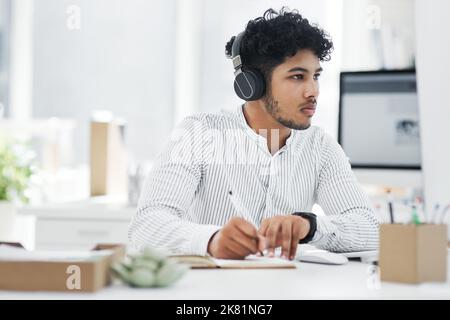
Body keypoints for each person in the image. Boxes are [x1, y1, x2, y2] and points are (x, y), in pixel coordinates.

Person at [129, 7, 379, 260]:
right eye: (297, 77)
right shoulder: (199, 133)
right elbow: (146, 226)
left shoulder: (320, 147)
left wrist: (310, 226)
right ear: (251, 85)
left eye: (315, 76)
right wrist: (211, 240)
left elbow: (371, 229)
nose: (313, 91)